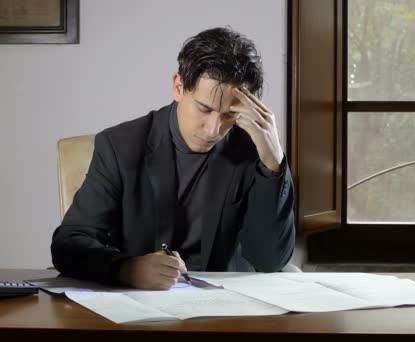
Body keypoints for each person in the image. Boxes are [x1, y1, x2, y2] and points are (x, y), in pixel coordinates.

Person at [51, 27, 295, 290]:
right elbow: (70, 242)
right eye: (204, 109)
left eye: (229, 115)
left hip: (224, 305)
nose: (214, 130)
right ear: (179, 87)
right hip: (141, 301)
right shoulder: (120, 146)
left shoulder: (253, 151)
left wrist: (273, 163)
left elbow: (269, 260)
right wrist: (126, 268)